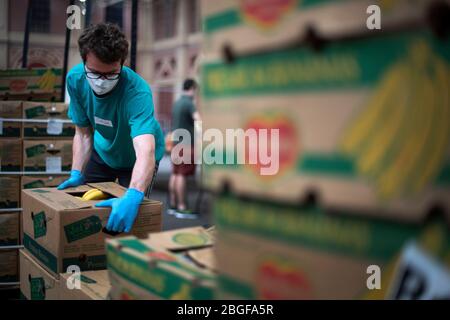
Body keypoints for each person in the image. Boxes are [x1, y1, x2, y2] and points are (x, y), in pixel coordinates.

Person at [57, 23, 164, 233]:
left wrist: (133, 195)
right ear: (84, 62)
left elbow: (145, 150)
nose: (102, 81)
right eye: (95, 73)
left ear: (122, 65)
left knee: (129, 219)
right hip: (103, 151)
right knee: (81, 209)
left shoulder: (137, 92)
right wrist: (77, 171)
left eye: (111, 74)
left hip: (135, 160)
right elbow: (83, 133)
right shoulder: (76, 79)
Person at [168, 79, 201, 218]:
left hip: (176, 143)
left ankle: (173, 205)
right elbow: (198, 120)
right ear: (192, 88)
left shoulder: (177, 103)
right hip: (186, 144)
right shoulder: (188, 103)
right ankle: (182, 207)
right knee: (182, 175)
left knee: (175, 174)